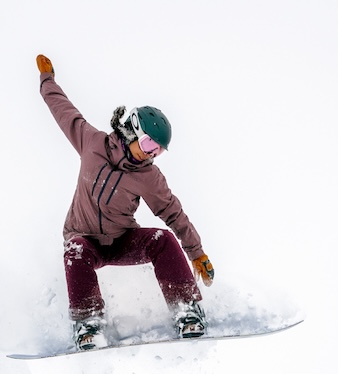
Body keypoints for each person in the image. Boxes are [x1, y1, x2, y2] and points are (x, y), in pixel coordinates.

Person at [37, 54, 215, 350]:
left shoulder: (148, 176)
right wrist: (47, 80)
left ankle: (187, 310)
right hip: (85, 239)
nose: (150, 154)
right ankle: (88, 323)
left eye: (157, 151)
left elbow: (173, 212)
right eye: (148, 144)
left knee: (163, 239)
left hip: (121, 240)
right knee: (75, 250)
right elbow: (63, 110)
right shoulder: (91, 142)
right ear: (132, 129)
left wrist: (196, 252)